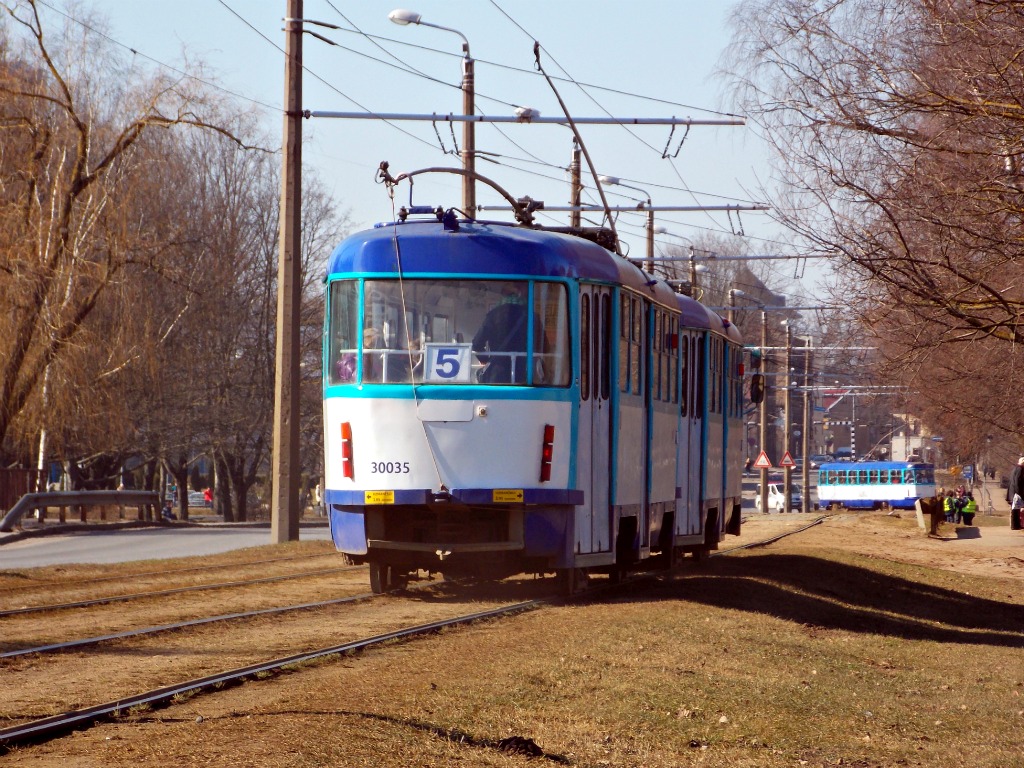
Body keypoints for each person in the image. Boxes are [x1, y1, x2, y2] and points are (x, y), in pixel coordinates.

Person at [473, 283, 533, 384]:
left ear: (503, 295)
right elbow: (543, 346)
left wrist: (488, 360)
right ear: (520, 294)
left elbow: (476, 344)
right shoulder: (531, 316)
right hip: (523, 374)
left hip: (497, 374)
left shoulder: (493, 315)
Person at [1006, 457, 1024, 530]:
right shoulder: (1020, 469)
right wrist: (1019, 493)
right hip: (1016, 493)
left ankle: (1015, 525)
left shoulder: (1015, 469)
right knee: (1016, 510)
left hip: (1012, 492)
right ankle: (1015, 525)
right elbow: (1017, 482)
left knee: (1015, 509)